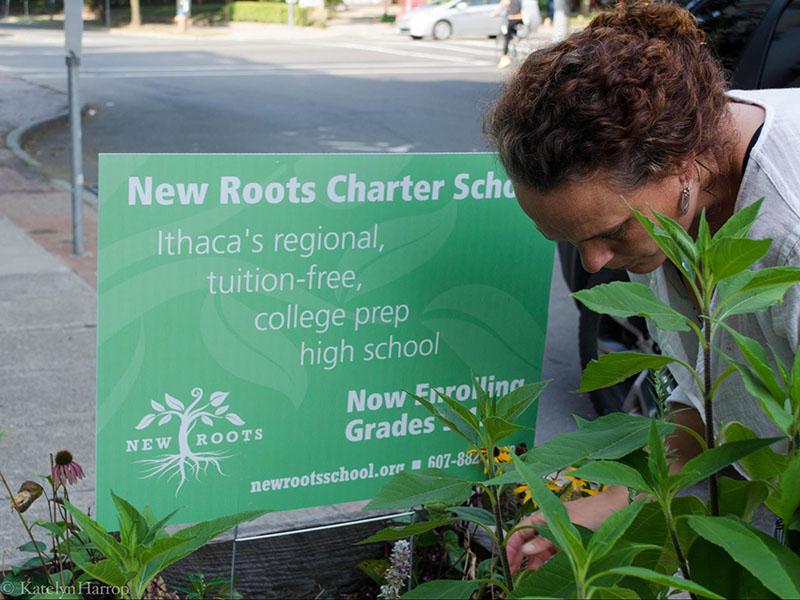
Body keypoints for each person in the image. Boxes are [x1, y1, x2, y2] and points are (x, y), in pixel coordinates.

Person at [483, 1, 800, 573]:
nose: (597, 263)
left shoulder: (789, 231)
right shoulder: (666, 205)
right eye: (566, 237)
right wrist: (610, 503)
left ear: (682, 165)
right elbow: (707, 405)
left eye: (609, 233)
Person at [492, 0, 525, 69]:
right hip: (520, 20)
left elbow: (500, 7)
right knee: (512, 36)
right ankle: (515, 43)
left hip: (512, 20)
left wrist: (494, 13)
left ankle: (505, 57)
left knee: (507, 38)